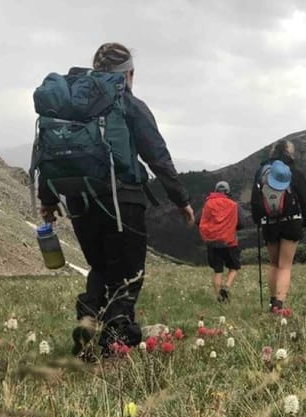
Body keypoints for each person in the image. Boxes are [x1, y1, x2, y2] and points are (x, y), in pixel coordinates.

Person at [38, 42, 194, 356]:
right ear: (129, 74)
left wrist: (49, 198)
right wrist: (181, 199)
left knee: (100, 266)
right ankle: (116, 344)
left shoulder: (71, 104)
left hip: (79, 199)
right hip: (123, 200)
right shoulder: (128, 104)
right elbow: (157, 156)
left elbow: (51, 151)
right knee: (128, 273)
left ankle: (88, 320)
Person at [250, 140, 306, 312]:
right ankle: (279, 304)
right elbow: (305, 201)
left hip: (269, 223)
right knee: (285, 266)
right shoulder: (293, 172)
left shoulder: (261, 173)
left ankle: (272, 302)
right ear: (288, 153)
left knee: (273, 264)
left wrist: (258, 220)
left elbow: (255, 201)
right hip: (291, 221)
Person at [199, 181, 243, 302]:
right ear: (228, 192)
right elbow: (241, 223)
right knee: (234, 268)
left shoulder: (208, 204)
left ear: (215, 190)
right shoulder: (234, 205)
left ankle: (220, 297)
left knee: (218, 270)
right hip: (230, 242)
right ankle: (227, 286)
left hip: (213, 243)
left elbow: (200, 221)